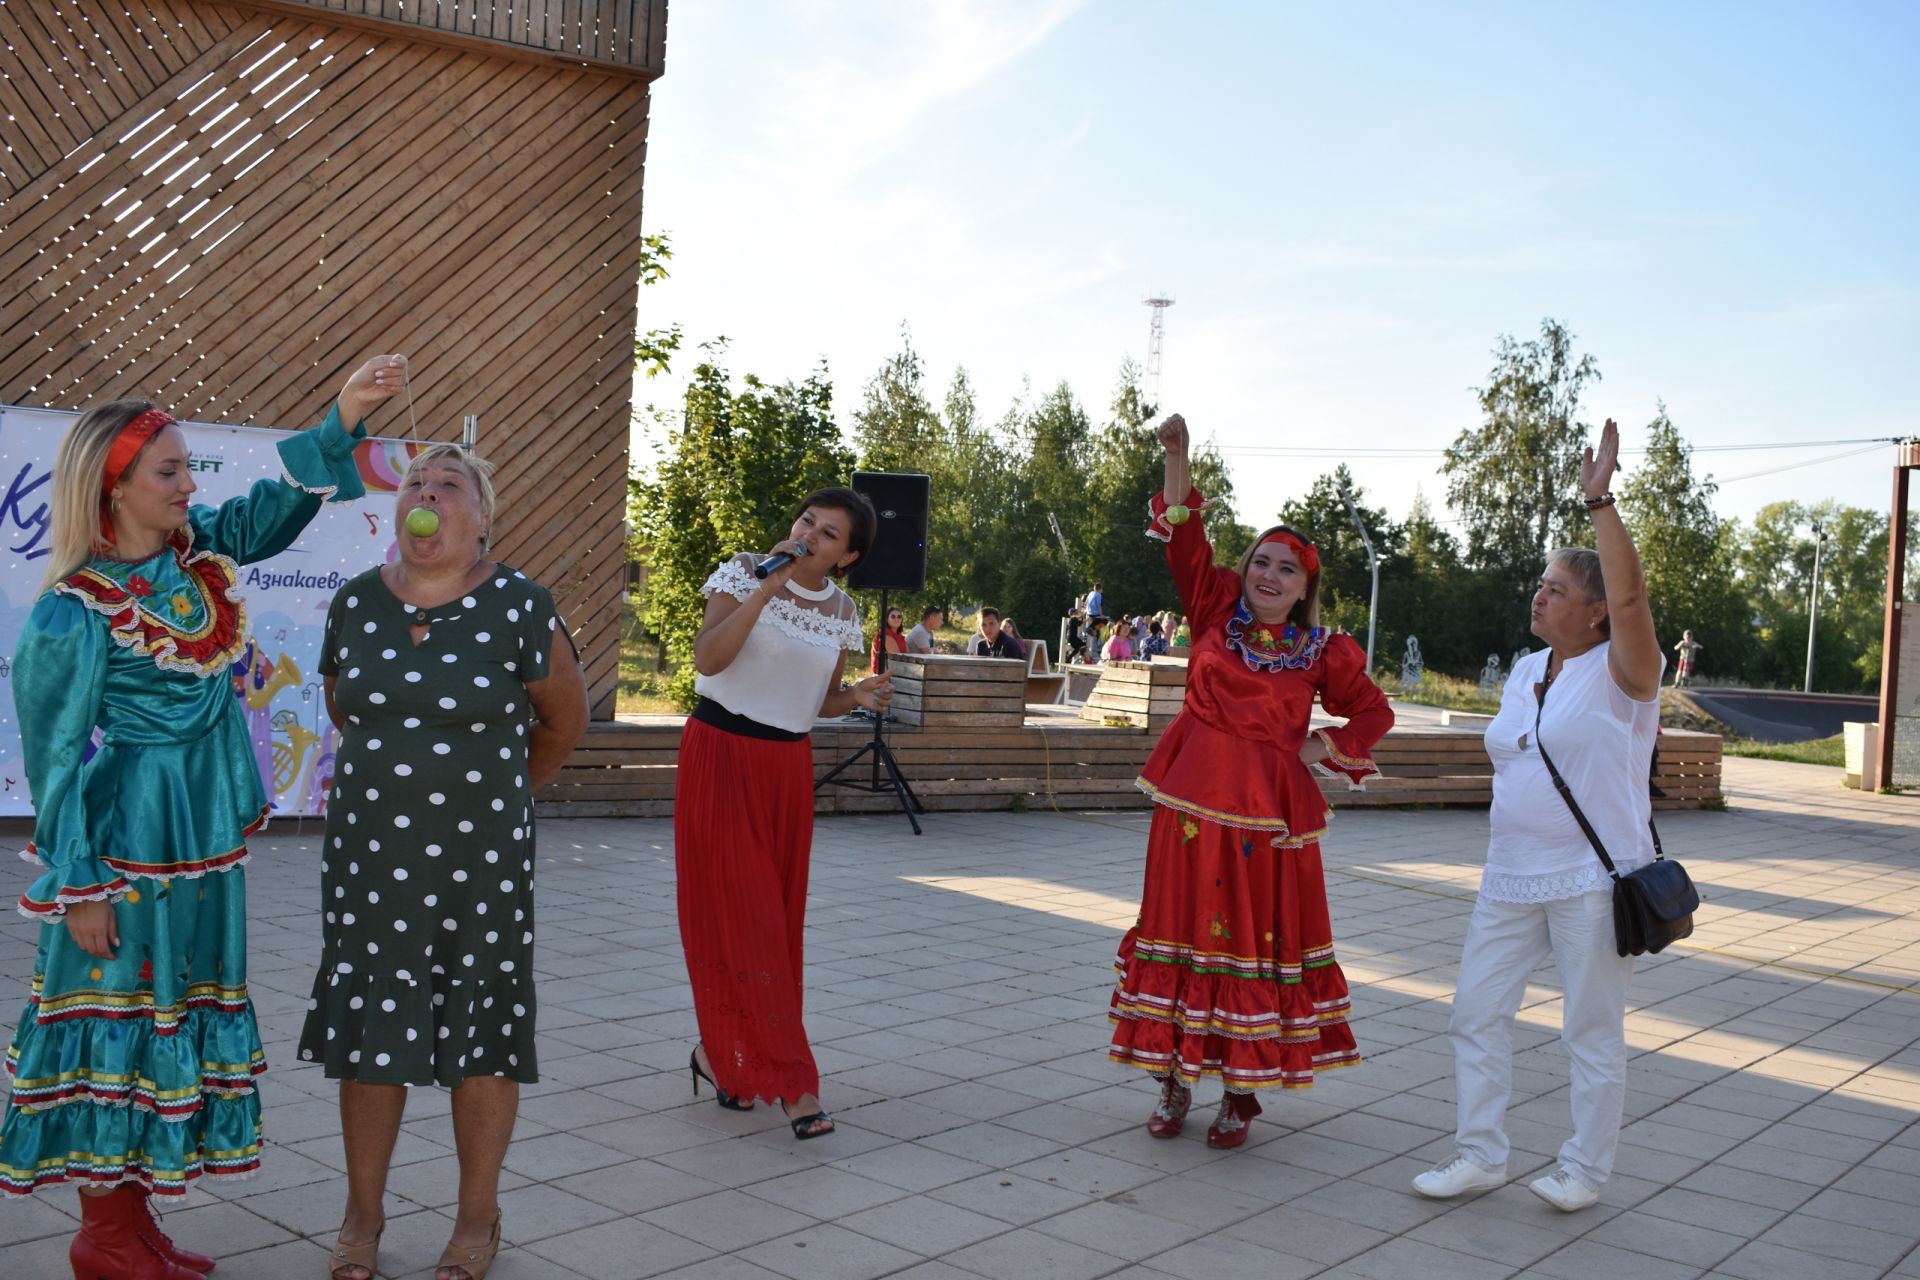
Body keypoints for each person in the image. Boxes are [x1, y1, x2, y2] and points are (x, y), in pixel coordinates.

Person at [0, 357, 400, 1278]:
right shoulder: (74, 611)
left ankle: (133, 1226)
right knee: (114, 1019)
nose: (189, 485)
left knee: (163, 1017)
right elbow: (54, 765)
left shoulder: (196, 560)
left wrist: (338, 416)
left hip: (202, 846)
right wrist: (80, 889)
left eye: (189, 468)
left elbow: (270, 512)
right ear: (113, 490)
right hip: (126, 848)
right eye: (169, 473)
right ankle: (100, 1238)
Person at [300, 445, 591, 1280]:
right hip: (368, 862)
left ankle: (477, 1218)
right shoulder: (356, 603)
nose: (425, 497)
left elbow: (560, 723)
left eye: (448, 486)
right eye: (415, 486)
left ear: (482, 517)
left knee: (484, 1032)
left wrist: (490, 796)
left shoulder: (521, 606)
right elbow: (345, 709)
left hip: (482, 863)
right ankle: (362, 1216)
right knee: (370, 1036)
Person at [1109, 413, 1393, 1150]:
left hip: (1267, 824)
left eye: (1286, 570)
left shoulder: (1320, 650)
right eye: (1262, 562)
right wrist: (1180, 457)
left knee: (1253, 949)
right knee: (1176, 937)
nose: (1268, 577)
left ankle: (1240, 1090)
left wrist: (1320, 745)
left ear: (1306, 589)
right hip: (1188, 806)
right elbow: (1186, 536)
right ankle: (1173, 1080)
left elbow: (1374, 710)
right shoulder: (1213, 608)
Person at [1412, 418, 1662, 1213]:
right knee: (1476, 1013)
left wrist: (1602, 502)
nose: (1540, 594)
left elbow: (1631, 593)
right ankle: (1481, 1154)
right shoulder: (1523, 669)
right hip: (1509, 876)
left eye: (1557, 588)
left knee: (1589, 1032)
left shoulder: (1626, 669)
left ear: (1594, 612)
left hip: (1592, 877)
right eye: (1540, 584)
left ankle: (1585, 1170)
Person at [676, 489, 893, 1141]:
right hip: (719, 755)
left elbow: (817, 701)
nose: (809, 536)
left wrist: (853, 695)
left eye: (828, 534)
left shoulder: (843, 611)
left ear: (848, 556)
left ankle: (719, 1056)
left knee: (776, 921)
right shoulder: (743, 571)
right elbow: (708, 660)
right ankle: (796, 1085)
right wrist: (765, 592)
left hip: (785, 771)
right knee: (746, 922)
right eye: (806, 521)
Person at [871, 605, 909, 672]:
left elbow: (909, 654)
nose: (896, 619)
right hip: (883, 674)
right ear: (886, 619)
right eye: (893, 616)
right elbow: (897, 658)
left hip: (897, 671)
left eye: (899, 617)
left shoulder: (899, 635)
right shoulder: (884, 633)